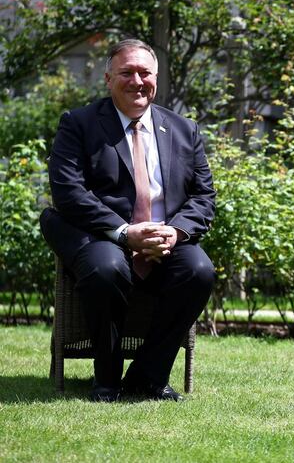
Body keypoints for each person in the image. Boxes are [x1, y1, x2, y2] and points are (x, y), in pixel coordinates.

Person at [40, 39, 216, 402]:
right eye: (126, 72)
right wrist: (125, 233)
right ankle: (106, 380)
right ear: (108, 78)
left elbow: (203, 197)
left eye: (145, 73)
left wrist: (174, 231)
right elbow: (69, 191)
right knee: (106, 268)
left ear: (156, 78)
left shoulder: (185, 129)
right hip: (102, 235)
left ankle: (147, 377)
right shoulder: (79, 124)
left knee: (199, 270)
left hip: (164, 240)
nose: (137, 80)